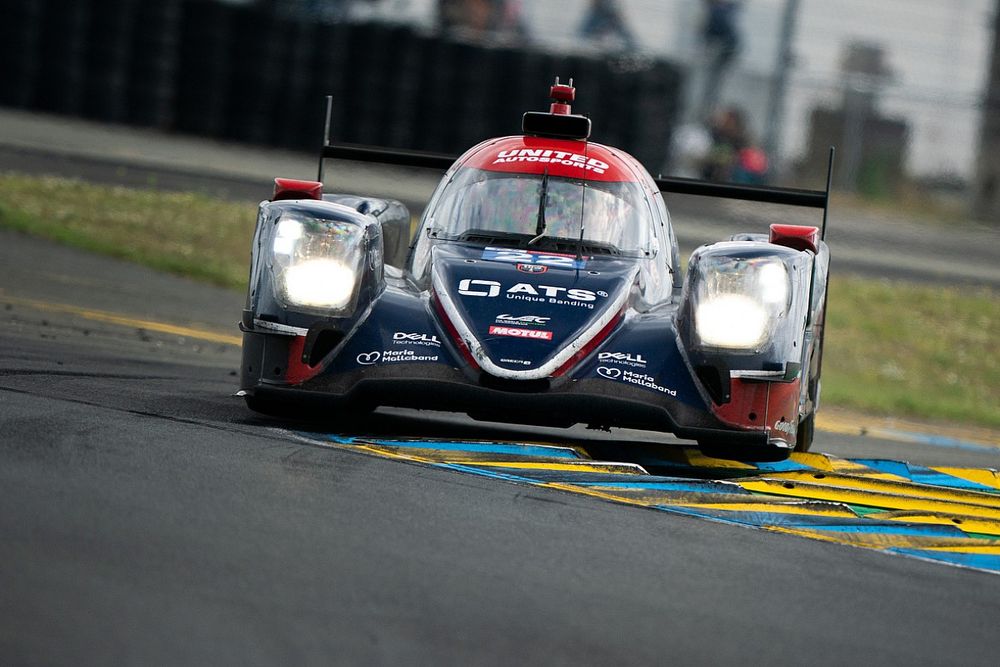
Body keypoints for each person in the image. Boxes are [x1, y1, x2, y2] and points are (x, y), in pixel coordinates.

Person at [699, 0, 743, 118]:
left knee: (713, 86)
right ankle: (711, 112)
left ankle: (711, 113)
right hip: (725, 49)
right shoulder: (724, 10)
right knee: (714, 86)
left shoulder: (717, 13)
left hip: (723, 50)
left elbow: (710, 35)